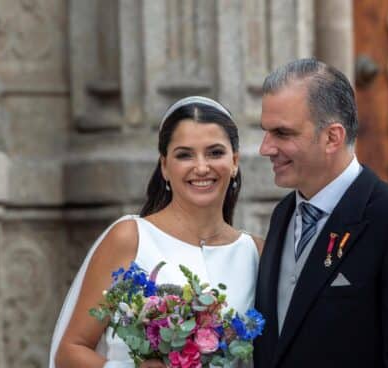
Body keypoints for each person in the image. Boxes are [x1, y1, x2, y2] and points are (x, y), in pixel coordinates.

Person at [253, 59, 388, 367]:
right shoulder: (284, 214)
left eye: (282, 133)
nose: (266, 148)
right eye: (266, 131)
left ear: (333, 137)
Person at [49, 96, 263, 368]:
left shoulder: (256, 253)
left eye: (215, 152)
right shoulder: (131, 237)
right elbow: (69, 351)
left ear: (234, 162)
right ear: (164, 166)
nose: (201, 167)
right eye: (184, 154)